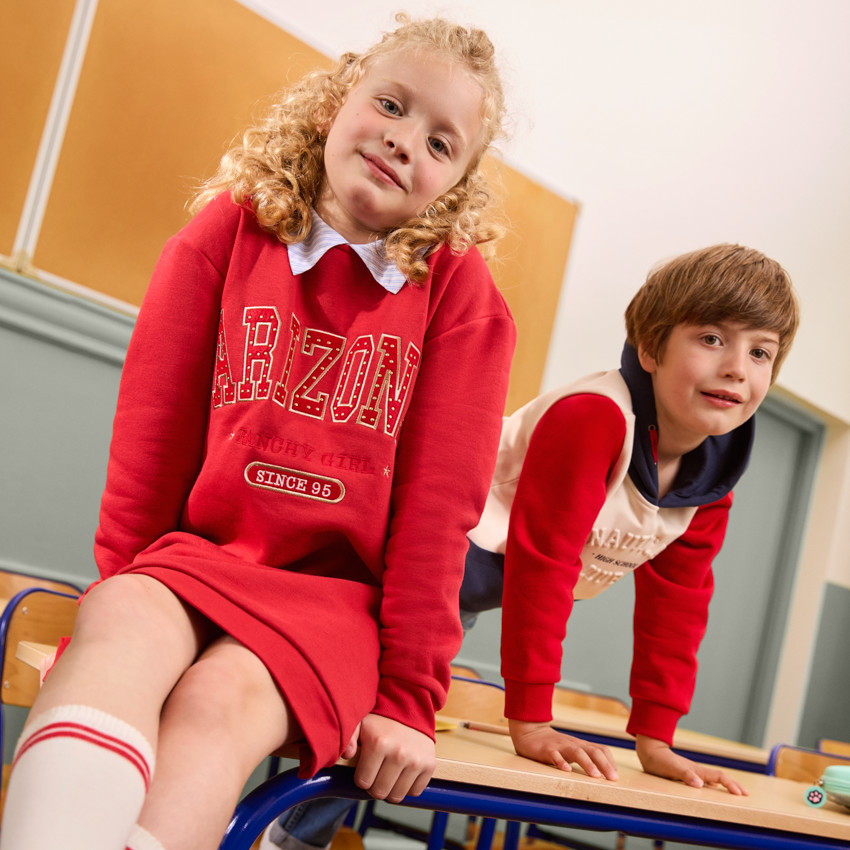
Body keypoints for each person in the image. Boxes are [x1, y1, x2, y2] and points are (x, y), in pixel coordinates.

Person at [0, 13, 516, 850]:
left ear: (454, 184)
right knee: (124, 614)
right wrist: (119, 606)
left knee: (216, 703)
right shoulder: (229, 231)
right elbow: (151, 439)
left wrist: (408, 701)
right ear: (334, 104)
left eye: (440, 143)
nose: (403, 141)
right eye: (391, 105)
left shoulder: (462, 301)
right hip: (197, 562)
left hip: (334, 606)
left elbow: (437, 517)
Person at [460, 243, 798, 796]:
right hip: (412, 559)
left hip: (467, 593)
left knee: (379, 737)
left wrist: (656, 741)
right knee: (369, 722)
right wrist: (531, 721)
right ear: (650, 347)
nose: (738, 368)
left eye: (761, 352)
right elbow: (545, 564)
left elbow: (677, 606)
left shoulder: (712, 476)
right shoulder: (594, 416)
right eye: (712, 339)